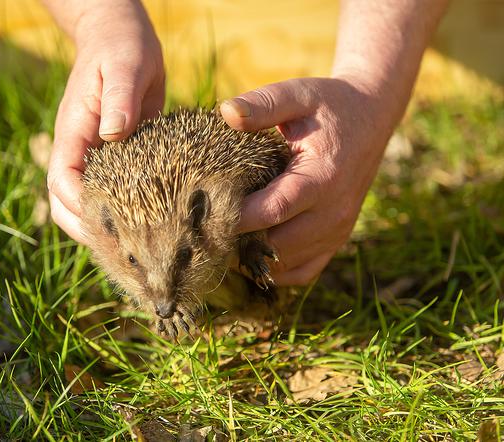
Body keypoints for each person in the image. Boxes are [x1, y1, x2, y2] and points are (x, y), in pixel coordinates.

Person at [43, 0, 448, 286]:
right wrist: (101, 16)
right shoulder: (115, 221)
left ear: (201, 210)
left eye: (184, 256)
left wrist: (369, 87)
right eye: (132, 260)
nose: (161, 297)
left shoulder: (217, 190)